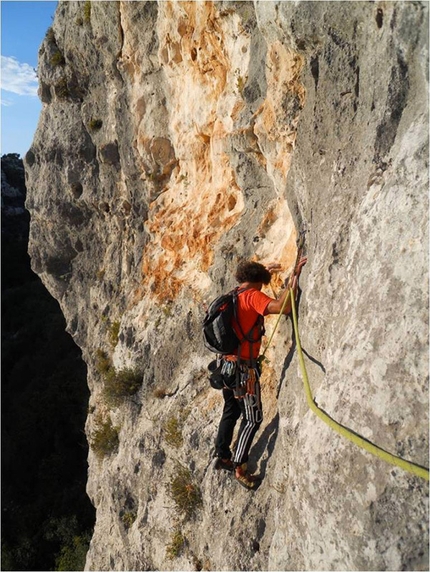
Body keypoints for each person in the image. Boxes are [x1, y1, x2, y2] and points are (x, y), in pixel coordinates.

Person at [214, 256, 307, 489]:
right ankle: (239, 465)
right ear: (258, 282)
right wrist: (292, 280)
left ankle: (222, 454)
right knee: (253, 418)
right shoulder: (253, 296)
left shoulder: (234, 295)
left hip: (225, 365)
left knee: (231, 410)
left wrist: (262, 271)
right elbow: (283, 307)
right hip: (245, 370)